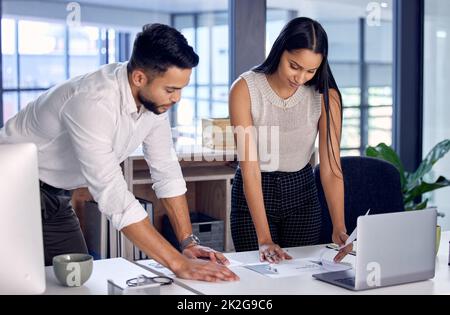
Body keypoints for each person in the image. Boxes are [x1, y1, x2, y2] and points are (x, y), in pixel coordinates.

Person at [0, 23, 238, 282]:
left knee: (73, 281)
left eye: (181, 89)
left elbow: (166, 171)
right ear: (139, 78)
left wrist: (188, 244)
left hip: (55, 196)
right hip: (10, 189)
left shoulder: (153, 104)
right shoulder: (93, 101)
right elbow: (112, 193)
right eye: (170, 89)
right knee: (14, 280)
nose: (177, 98)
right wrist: (177, 264)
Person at [229, 17, 352, 264]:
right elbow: (250, 168)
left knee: (300, 276)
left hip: (302, 194)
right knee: (259, 277)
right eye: (294, 66)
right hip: (254, 192)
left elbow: (330, 167)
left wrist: (339, 225)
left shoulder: (326, 96)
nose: (301, 78)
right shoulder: (244, 89)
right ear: (279, 50)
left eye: (311, 70)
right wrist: (263, 238)